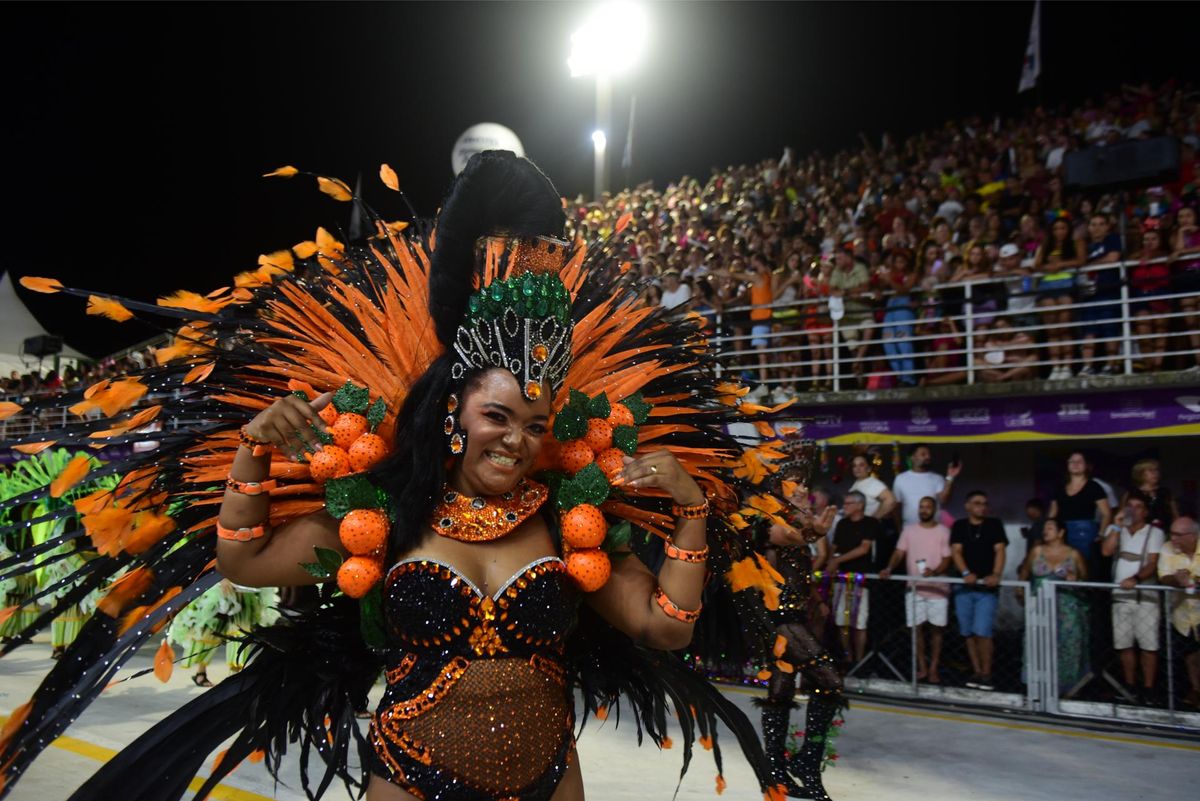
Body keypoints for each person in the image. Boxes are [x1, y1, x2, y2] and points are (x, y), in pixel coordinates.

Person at [0, 152, 789, 799]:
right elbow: (241, 559)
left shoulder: (568, 518)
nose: (516, 440)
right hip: (412, 779)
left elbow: (665, 626)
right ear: (455, 417)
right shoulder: (377, 509)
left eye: (535, 425)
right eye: (498, 418)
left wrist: (688, 513)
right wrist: (252, 450)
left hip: (552, 780)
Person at [761, 482, 842, 800]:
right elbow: (785, 537)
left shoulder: (798, 526)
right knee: (830, 680)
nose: (802, 495)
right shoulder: (766, 523)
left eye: (804, 492)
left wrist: (814, 600)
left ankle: (775, 771)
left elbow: (801, 570)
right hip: (777, 620)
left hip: (794, 617)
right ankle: (807, 763)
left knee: (781, 690)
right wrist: (813, 533)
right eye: (794, 491)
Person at [879, 496, 952, 684]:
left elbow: (947, 559)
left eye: (928, 507)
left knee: (937, 631)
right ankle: (922, 667)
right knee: (916, 630)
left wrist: (934, 572)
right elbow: (899, 553)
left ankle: (934, 668)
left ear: (934, 510)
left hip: (938, 589)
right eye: (922, 507)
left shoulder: (943, 531)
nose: (924, 510)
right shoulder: (909, 530)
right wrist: (888, 568)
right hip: (914, 589)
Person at [1101, 492, 1164, 704]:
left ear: (1145, 512)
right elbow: (1106, 551)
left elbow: (1153, 563)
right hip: (1120, 597)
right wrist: (1117, 526)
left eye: (1138, 506)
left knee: (1148, 645)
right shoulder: (1116, 529)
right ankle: (1130, 686)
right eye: (1130, 506)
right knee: (1124, 644)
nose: (1133, 510)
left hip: (1146, 598)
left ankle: (1148, 688)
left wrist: (1136, 578)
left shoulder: (1154, 533)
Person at [1018, 518, 1089, 694]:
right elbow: (1025, 573)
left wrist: (1075, 579)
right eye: (1044, 528)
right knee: (1037, 642)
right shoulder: (1037, 551)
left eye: (1049, 527)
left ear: (1061, 532)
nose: (1045, 531)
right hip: (1040, 605)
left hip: (1067, 607)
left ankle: (1066, 688)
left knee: (1068, 645)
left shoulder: (1073, 554)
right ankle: (1037, 685)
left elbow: (1086, 581)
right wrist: (1021, 592)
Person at [950, 490, 1007, 691]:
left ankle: (986, 673)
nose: (981, 506)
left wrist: (996, 574)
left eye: (984, 503)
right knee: (968, 631)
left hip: (986, 586)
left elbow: (1000, 550)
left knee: (983, 631)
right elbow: (956, 551)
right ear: (967, 506)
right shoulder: (959, 526)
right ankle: (976, 671)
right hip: (964, 586)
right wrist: (965, 572)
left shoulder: (994, 525)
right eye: (977, 503)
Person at [827, 490, 879, 666]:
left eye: (848, 503)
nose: (845, 507)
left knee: (859, 622)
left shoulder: (870, 523)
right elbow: (834, 547)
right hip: (841, 579)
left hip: (860, 579)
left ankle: (860, 658)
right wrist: (830, 562)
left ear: (860, 505)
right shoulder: (842, 523)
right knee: (842, 621)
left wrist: (837, 560)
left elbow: (864, 549)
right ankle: (848, 657)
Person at [1157, 517, 1200, 709]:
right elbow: (1163, 576)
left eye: (1178, 535)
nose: (1173, 538)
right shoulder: (1167, 548)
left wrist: (1195, 583)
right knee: (1190, 654)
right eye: (1171, 533)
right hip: (1182, 614)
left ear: (1192, 536)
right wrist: (1177, 581)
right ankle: (1196, 691)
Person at [1047, 451, 1113, 571]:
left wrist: (1101, 534)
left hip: (1086, 533)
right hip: (1063, 533)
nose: (1076, 464)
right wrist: (1048, 530)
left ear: (1086, 465)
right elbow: (1053, 513)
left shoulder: (1094, 486)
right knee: (1062, 567)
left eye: (1079, 461)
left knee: (1084, 567)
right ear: (1067, 465)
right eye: (1072, 461)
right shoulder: (1059, 487)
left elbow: (1107, 513)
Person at [1076, 213, 1123, 376]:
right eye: (1093, 224)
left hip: (1108, 291)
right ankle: (1087, 366)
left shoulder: (1112, 240)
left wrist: (1090, 266)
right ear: (1088, 228)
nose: (1097, 227)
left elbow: (1113, 258)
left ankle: (1111, 365)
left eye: (1101, 224)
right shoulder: (1085, 247)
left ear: (1107, 227)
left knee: (1110, 328)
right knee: (1088, 330)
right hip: (1089, 294)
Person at [892, 443, 961, 528]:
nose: (928, 457)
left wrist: (950, 477)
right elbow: (896, 508)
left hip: (934, 529)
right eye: (923, 454)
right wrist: (899, 528)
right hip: (909, 529)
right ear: (912, 458)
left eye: (928, 454)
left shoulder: (937, 478)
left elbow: (944, 500)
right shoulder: (900, 478)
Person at [1119, 458, 1178, 531]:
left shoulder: (1165, 492)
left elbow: (1175, 515)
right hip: (1139, 533)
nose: (1155, 473)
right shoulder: (1132, 493)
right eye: (1151, 470)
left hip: (1164, 532)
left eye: (1156, 470)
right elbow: (1126, 519)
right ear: (1141, 473)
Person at [848, 453, 896, 521]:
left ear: (869, 468)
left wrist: (873, 520)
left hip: (868, 528)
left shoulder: (873, 483)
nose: (857, 468)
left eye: (861, 465)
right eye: (854, 466)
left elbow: (891, 500)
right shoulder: (856, 484)